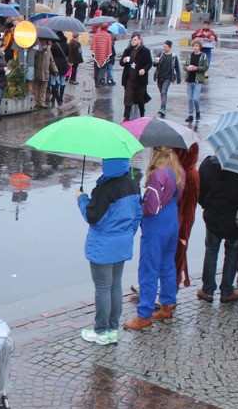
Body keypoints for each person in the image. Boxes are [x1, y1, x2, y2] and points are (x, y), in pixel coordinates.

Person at [77, 158, 141, 345]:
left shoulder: (104, 189)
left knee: (103, 288)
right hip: (122, 243)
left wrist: (81, 198)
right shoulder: (133, 184)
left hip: (103, 245)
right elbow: (138, 214)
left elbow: (92, 216)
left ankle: (100, 332)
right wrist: (127, 234)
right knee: (115, 285)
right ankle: (113, 329)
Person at [124, 148, 183, 329]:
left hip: (156, 225)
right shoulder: (178, 171)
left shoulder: (158, 175)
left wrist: (138, 205)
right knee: (167, 265)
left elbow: (151, 207)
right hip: (172, 219)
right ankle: (167, 305)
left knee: (149, 269)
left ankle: (144, 315)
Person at [197, 154, 238, 303]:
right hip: (233, 219)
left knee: (211, 251)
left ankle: (208, 289)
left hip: (213, 216)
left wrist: (206, 205)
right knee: (232, 254)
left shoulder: (209, 164)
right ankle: (227, 290)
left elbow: (200, 189)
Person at [175, 144, 200, 290]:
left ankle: (173, 286)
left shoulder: (184, 175)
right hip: (185, 220)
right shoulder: (191, 172)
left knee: (177, 251)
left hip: (180, 222)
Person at [119, 32, 152, 121]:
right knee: (128, 97)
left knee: (140, 98)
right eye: (132, 40)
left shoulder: (145, 51)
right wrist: (124, 60)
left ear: (139, 40)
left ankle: (142, 114)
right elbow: (121, 63)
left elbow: (149, 63)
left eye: (135, 40)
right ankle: (126, 117)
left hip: (140, 79)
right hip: (129, 78)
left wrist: (144, 70)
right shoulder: (128, 51)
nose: (133, 41)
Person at [152, 40, 181, 118]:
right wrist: (156, 62)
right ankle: (163, 105)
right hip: (159, 77)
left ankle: (163, 107)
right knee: (162, 92)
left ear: (170, 47)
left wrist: (179, 78)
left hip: (168, 77)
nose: (164, 48)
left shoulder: (173, 57)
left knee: (164, 91)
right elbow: (154, 65)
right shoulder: (160, 54)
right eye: (163, 47)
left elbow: (177, 67)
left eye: (166, 47)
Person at [184, 39, 209, 129]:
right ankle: (190, 115)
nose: (195, 48)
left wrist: (196, 68)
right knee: (190, 99)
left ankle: (197, 112)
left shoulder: (203, 56)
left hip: (198, 80)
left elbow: (205, 67)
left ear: (199, 47)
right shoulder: (190, 56)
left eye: (197, 46)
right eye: (194, 46)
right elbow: (184, 66)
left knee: (196, 98)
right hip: (190, 79)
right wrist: (188, 68)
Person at [31, 40, 55, 109]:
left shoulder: (48, 51)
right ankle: (35, 102)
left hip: (45, 73)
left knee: (43, 89)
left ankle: (41, 102)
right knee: (35, 88)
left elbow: (52, 62)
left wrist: (55, 70)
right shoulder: (36, 51)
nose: (43, 44)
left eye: (44, 42)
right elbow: (33, 61)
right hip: (37, 72)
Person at [49, 35, 70, 107]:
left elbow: (51, 55)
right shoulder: (67, 45)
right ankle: (61, 97)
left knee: (53, 80)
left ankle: (54, 96)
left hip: (55, 64)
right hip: (64, 65)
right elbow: (68, 54)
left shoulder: (54, 45)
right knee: (62, 80)